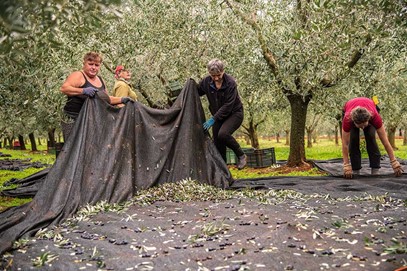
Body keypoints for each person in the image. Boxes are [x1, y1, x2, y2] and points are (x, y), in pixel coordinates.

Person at [60, 52, 133, 141]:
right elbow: (64, 88)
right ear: (84, 63)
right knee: (74, 149)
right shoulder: (78, 75)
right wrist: (83, 90)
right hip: (74, 120)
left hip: (91, 121)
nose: (93, 67)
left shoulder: (100, 80)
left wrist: (122, 99)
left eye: (97, 65)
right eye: (90, 64)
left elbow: (106, 99)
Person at [198, 58, 247, 170]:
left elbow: (228, 106)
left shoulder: (230, 83)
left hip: (234, 114)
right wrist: (189, 86)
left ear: (223, 71)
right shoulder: (206, 82)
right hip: (218, 117)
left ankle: (241, 155)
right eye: (213, 75)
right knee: (218, 144)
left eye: (218, 75)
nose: (216, 78)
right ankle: (224, 172)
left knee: (223, 134)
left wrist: (213, 119)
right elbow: (197, 91)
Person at [341, 97, 403, 178]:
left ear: (369, 119)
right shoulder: (347, 119)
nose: (362, 128)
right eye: (360, 126)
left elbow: (385, 141)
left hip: (370, 108)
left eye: (364, 125)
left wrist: (394, 161)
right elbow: (345, 144)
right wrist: (346, 165)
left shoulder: (375, 117)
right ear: (354, 122)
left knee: (370, 136)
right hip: (349, 109)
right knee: (353, 140)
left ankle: (375, 170)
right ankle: (355, 170)